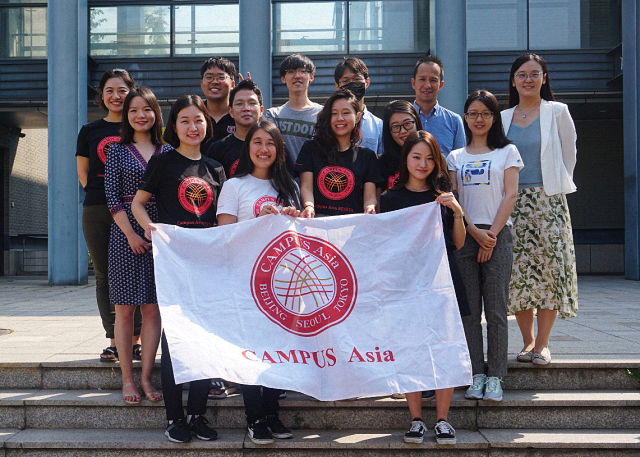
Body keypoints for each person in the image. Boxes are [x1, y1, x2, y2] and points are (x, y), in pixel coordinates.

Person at [132, 94, 224, 443]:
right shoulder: (163, 162)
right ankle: (174, 418)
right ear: (174, 126)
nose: (192, 126)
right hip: (174, 263)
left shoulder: (216, 168)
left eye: (198, 120)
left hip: (208, 265)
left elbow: (222, 219)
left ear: (207, 125)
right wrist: (149, 228)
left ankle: (197, 415)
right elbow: (138, 204)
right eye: (185, 120)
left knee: (204, 339)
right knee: (175, 341)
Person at [380, 130, 468, 445]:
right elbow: (385, 246)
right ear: (405, 159)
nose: (423, 164)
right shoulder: (390, 199)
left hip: (442, 280)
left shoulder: (443, 196)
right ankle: (416, 419)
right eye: (416, 156)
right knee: (410, 349)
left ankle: (443, 419)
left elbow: (458, 243)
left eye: (430, 158)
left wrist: (457, 212)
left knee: (445, 347)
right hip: (406, 284)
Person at [217, 120, 300, 444]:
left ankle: (271, 412)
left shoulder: (289, 187)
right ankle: (255, 418)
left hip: (285, 284)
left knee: (279, 350)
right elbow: (224, 236)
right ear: (248, 147)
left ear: (279, 150)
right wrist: (257, 220)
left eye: (270, 143)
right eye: (258, 142)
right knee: (251, 350)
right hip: (246, 281)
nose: (264, 149)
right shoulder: (234, 186)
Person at [502, 53, 578, 366]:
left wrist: (555, 186)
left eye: (535, 73)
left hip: (549, 202)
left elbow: (570, 155)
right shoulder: (502, 117)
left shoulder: (557, 112)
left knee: (551, 271)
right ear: (513, 81)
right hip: (512, 203)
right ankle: (527, 342)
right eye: (522, 74)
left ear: (544, 78)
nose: (528, 79)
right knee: (518, 272)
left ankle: (543, 344)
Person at [447, 90, 523, 402]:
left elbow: (511, 194)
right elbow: (454, 200)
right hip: (465, 235)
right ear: (465, 117)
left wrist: (490, 235)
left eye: (485, 113)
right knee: (468, 312)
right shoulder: (455, 157)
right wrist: (474, 232)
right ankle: (475, 373)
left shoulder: (508, 152)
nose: (479, 119)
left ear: (494, 118)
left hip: (498, 235)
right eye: (473, 113)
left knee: (496, 310)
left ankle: (496, 377)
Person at [105, 87, 169, 405]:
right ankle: (127, 379)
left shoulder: (168, 150)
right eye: (133, 110)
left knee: (153, 308)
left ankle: (146, 377)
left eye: (146, 109)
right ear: (126, 115)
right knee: (125, 309)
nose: (140, 115)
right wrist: (131, 233)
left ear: (156, 113)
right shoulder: (116, 151)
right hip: (124, 234)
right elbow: (112, 196)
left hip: (160, 234)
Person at [76, 68, 142, 362]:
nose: (116, 96)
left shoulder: (139, 126)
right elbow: (84, 173)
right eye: (110, 91)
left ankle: (135, 340)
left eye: (122, 90)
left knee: (137, 272)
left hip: (134, 208)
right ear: (101, 96)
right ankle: (114, 340)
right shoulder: (89, 130)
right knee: (104, 275)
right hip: (98, 209)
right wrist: (106, 195)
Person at [296, 89, 382, 218]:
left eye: (346, 113)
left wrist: (370, 207)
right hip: (317, 222)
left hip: (352, 224)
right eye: (334, 113)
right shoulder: (310, 148)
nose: (340, 118)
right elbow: (306, 187)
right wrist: (309, 206)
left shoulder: (367, 156)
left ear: (358, 117)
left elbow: (370, 197)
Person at [206, 79, 295, 178]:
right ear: (230, 112)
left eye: (252, 103)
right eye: (239, 104)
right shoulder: (217, 149)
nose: (246, 108)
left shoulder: (276, 146)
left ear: (261, 110)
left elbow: (289, 181)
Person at [265, 54, 323, 162]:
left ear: (311, 77)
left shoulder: (323, 113)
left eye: (302, 71)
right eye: (291, 72)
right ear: (283, 78)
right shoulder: (273, 115)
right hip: (283, 173)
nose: (297, 76)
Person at [411, 55, 465, 157]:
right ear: (413, 83)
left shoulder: (454, 121)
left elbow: (460, 160)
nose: (427, 85)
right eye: (422, 79)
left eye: (433, 80)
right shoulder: (402, 119)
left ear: (441, 85)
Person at [334, 57, 383, 155]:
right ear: (337, 86)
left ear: (367, 82)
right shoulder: (329, 120)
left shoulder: (378, 125)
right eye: (345, 81)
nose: (352, 84)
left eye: (357, 79)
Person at [379, 100, 423, 191]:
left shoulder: (433, 158)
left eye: (407, 124)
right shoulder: (380, 163)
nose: (403, 131)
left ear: (417, 123)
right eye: (395, 126)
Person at [200, 56, 237, 152]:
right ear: (201, 84)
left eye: (221, 77)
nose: (215, 82)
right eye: (209, 77)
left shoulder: (240, 116)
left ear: (232, 84)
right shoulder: (194, 115)